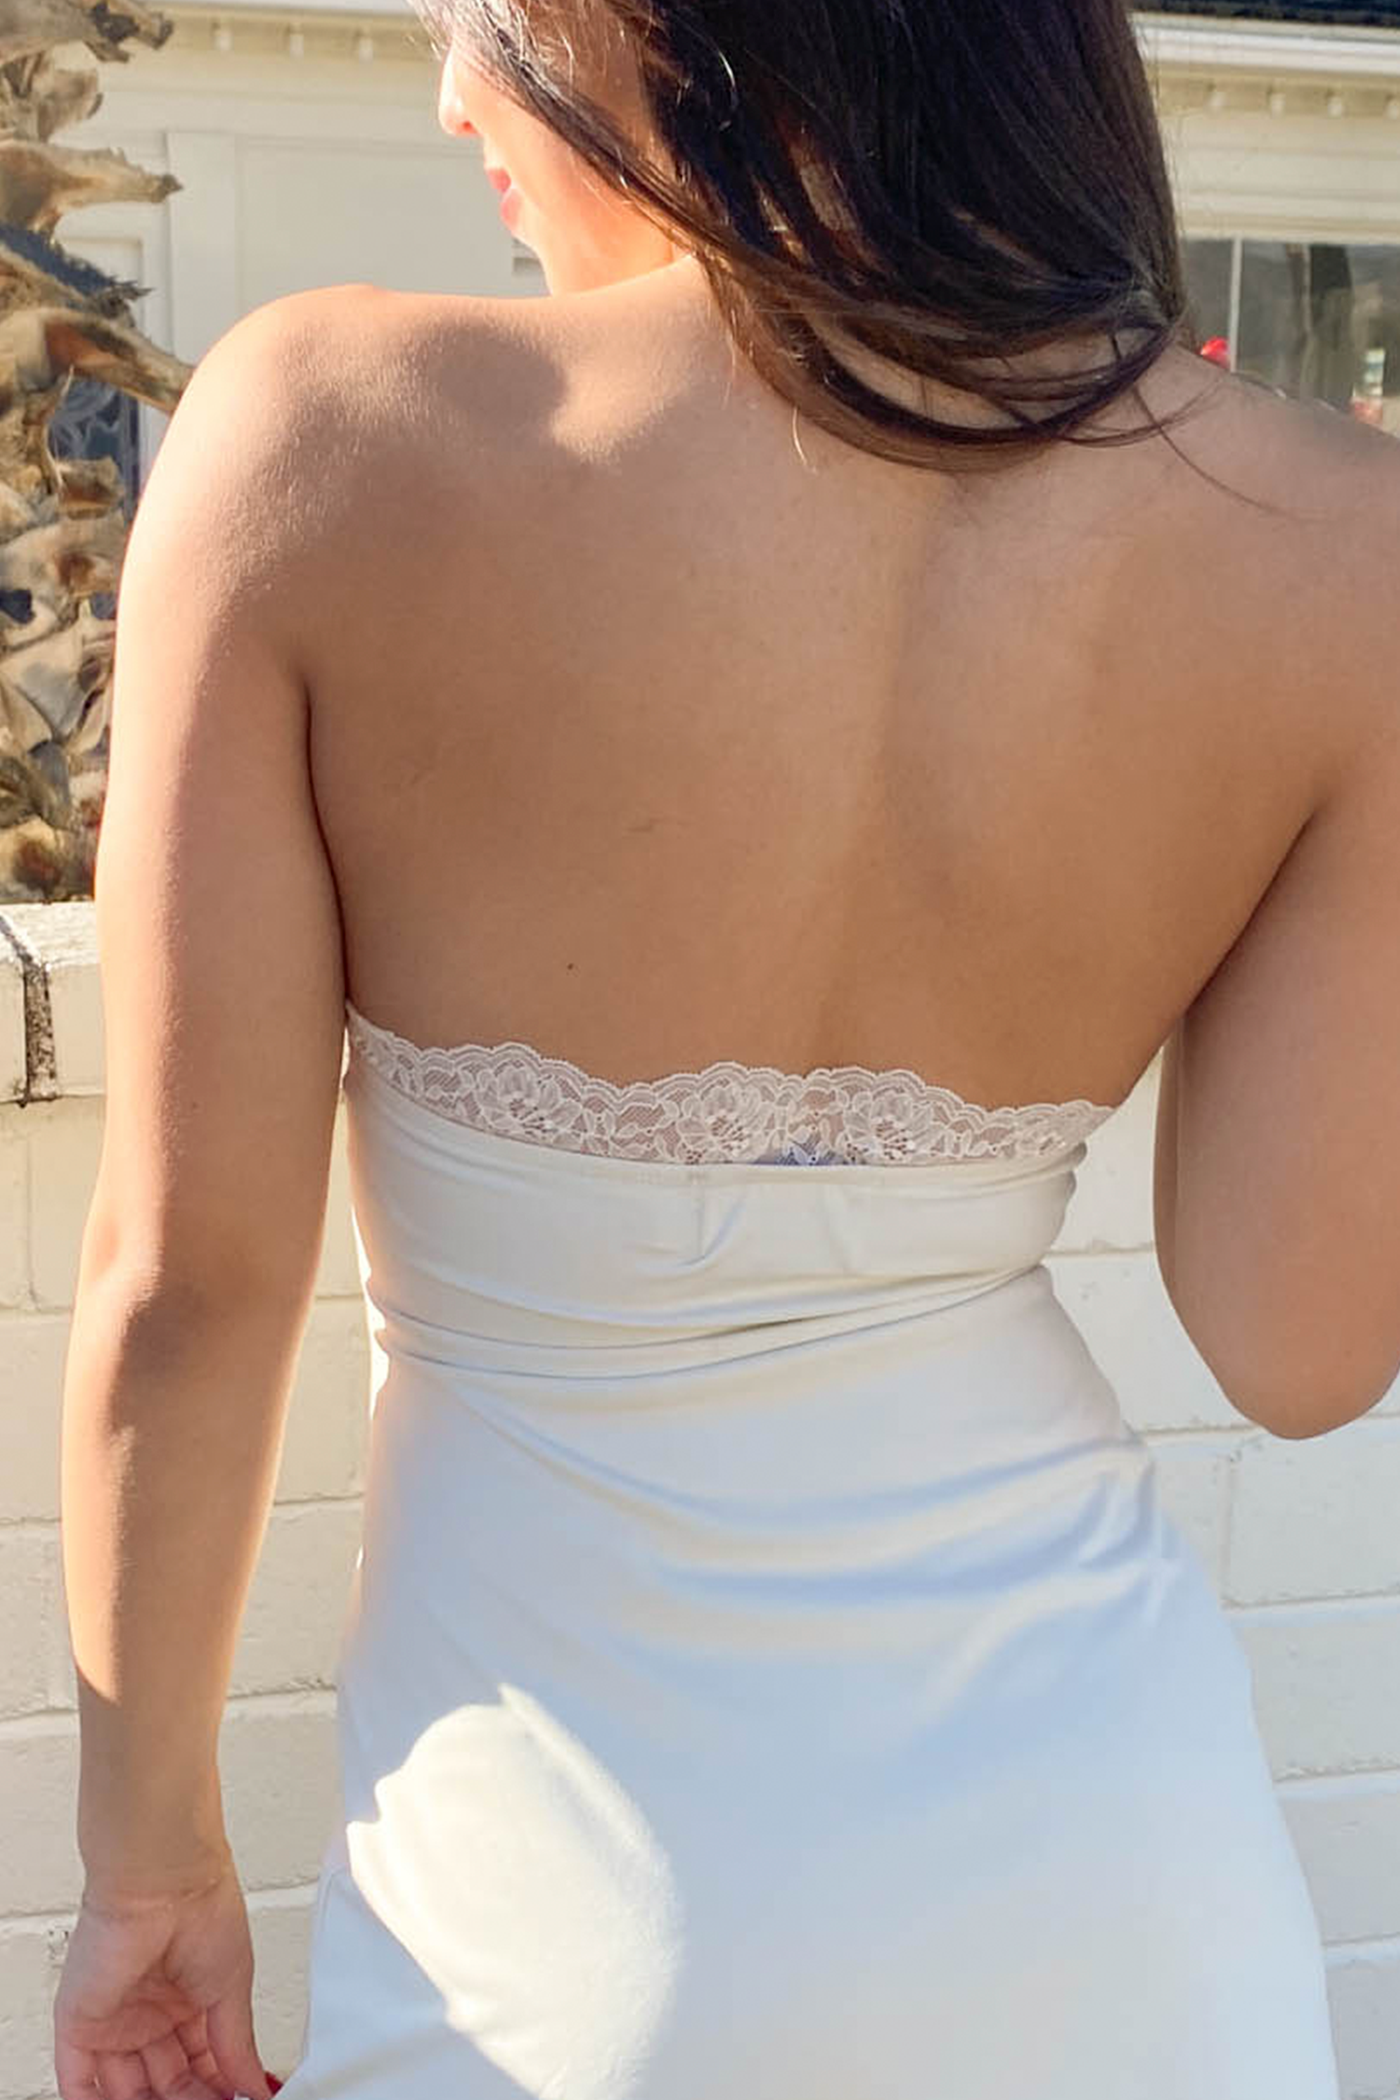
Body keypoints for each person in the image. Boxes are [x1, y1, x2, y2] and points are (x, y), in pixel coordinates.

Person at [52, 1, 1400, 2095]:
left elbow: (186, 1288)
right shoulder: (1338, 543)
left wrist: (149, 1872)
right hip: (1128, 1895)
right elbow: (1295, 1347)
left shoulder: (327, 433)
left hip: (568, 1940)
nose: (453, 90)